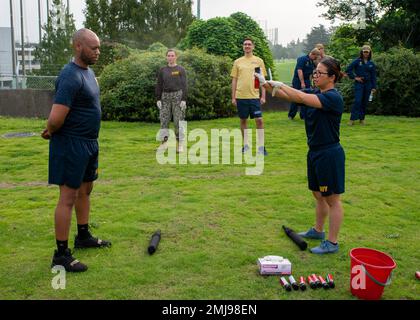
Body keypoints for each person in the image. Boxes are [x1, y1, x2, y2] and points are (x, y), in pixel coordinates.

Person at [255, 57, 345, 254]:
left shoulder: (332, 97)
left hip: (329, 154)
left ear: (331, 77)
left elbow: (301, 98)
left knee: (332, 199)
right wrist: (267, 84)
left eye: (319, 73)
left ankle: (332, 242)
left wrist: (282, 85)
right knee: (318, 194)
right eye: (315, 72)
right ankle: (318, 231)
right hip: (314, 152)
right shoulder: (315, 92)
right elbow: (289, 96)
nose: (315, 76)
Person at [42, 28, 111, 272]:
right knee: (68, 197)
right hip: (71, 144)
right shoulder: (69, 75)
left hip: (89, 143)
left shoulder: (89, 73)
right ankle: (61, 255)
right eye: (94, 48)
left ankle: (83, 236)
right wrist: (50, 129)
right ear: (78, 47)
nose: (98, 52)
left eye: (99, 47)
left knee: (86, 190)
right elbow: (56, 117)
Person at [231, 38, 268, 156]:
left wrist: (263, 96)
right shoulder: (238, 62)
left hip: (254, 96)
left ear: (253, 46)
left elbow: (262, 80)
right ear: (243, 47)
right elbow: (234, 80)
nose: (247, 46)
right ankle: (245, 145)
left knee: (259, 121)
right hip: (241, 96)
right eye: (245, 44)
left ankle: (261, 147)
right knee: (243, 120)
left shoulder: (259, 61)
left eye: (249, 44)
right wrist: (233, 97)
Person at [155, 49, 188, 153]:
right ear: (166, 57)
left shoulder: (180, 69)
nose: (170, 57)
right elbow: (159, 85)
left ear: (176, 57)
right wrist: (158, 99)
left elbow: (184, 85)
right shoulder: (162, 70)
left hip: (178, 96)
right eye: (168, 55)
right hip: (165, 97)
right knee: (164, 121)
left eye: (172, 55)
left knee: (179, 121)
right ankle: (164, 144)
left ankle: (180, 144)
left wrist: (184, 99)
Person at [346, 45, 377, 125]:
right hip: (359, 84)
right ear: (362, 52)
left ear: (370, 53)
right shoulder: (357, 61)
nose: (366, 53)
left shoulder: (371, 63)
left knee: (365, 102)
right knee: (357, 101)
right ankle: (352, 119)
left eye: (367, 52)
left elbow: (373, 76)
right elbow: (348, 70)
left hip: (368, 84)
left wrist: (374, 87)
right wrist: (355, 77)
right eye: (364, 52)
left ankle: (362, 119)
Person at [288, 48, 321, 120]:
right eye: (315, 57)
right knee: (295, 96)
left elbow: (311, 73)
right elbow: (299, 71)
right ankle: (291, 115)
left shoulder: (311, 61)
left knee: (306, 97)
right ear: (313, 54)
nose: (315, 58)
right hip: (298, 80)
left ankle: (303, 116)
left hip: (306, 80)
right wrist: (302, 82)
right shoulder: (302, 59)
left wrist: (312, 82)